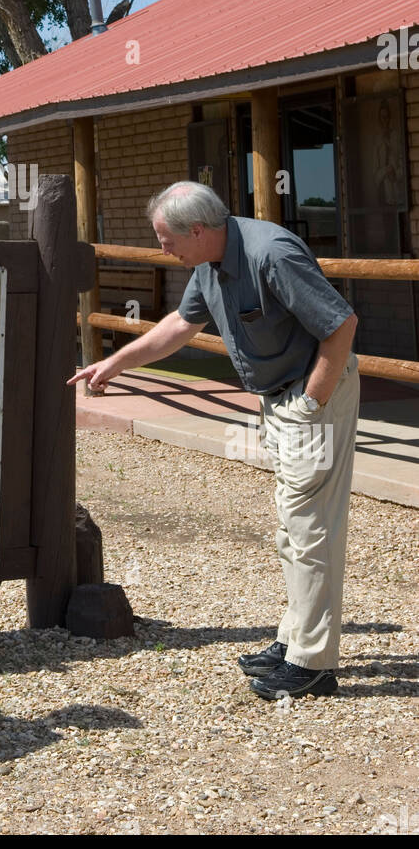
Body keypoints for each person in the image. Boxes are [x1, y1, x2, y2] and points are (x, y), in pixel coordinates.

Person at [68, 180, 360, 702]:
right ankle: (295, 640)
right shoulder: (208, 264)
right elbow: (181, 324)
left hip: (314, 395)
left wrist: (311, 403)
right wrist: (115, 363)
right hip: (286, 396)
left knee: (309, 528)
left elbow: (341, 325)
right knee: (292, 530)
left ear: (198, 230)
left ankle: (313, 665)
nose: (163, 250)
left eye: (166, 239)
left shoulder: (271, 254)